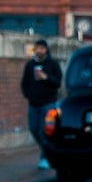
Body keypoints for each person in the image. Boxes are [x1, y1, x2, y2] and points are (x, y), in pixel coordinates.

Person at [21, 38, 62, 170]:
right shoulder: (30, 65)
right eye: (37, 48)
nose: (39, 50)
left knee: (44, 131)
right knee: (34, 129)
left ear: (46, 50)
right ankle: (49, 151)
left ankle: (45, 158)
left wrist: (46, 77)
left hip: (48, 103)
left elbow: (58, 82)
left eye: (42, 48)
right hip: (34, 104)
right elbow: (24, 83)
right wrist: (28, 95)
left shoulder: (52, 64)